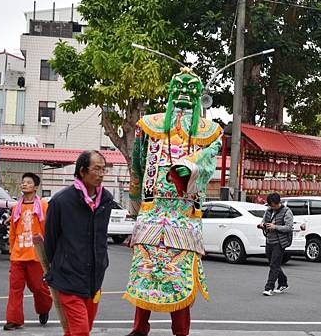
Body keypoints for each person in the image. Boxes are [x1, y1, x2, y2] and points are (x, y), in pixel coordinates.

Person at [124, 68, 221, 336]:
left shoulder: (210, 132)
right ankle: (140, 327)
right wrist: (136, 206)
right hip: (152, 212)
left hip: (184, 215)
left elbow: (208, 164)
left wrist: (189, 167)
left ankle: (180, 330)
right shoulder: (149, 126)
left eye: (187, 92)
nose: (182, 98)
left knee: (179, 276)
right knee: (145, 271)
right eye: (179, 92)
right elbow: (138, 164)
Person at [44, 151, 114, 336]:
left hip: (94, 278)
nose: (101, 174)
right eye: (96, 169)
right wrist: (60, 265)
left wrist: (102, 262)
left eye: (103, 169)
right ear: (82, 171)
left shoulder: (106, 200)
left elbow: (101, 237)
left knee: (79, 329)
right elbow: (50, 240)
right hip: (69, 276)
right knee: (81, 330)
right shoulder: (61, 201)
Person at [3, 173, 52, 331]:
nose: (24, 184)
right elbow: (13, 232)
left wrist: (49, 253)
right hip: (18, 255)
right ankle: (14, 320)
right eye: (23, 182)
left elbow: (48, 230)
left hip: (36, 256)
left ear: (35, 187)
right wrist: (12, 251)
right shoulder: (16, 207)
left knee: (39, 288)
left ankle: (44, 309)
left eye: (28, 182)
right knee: (15, 289)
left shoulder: (43, 206)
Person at [258, 192, 294, 296]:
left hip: (280, 242)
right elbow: (264, 221)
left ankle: (269, 288)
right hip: (269, 240)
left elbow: (289, 227)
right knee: (273, 264)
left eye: (274, 205)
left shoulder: (287, 211)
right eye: (270, 205)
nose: (272, 207)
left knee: (274, 264)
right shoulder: (268, 210)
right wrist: (262, 225)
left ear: (278, 202)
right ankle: (283, 282)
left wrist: (275, 227)